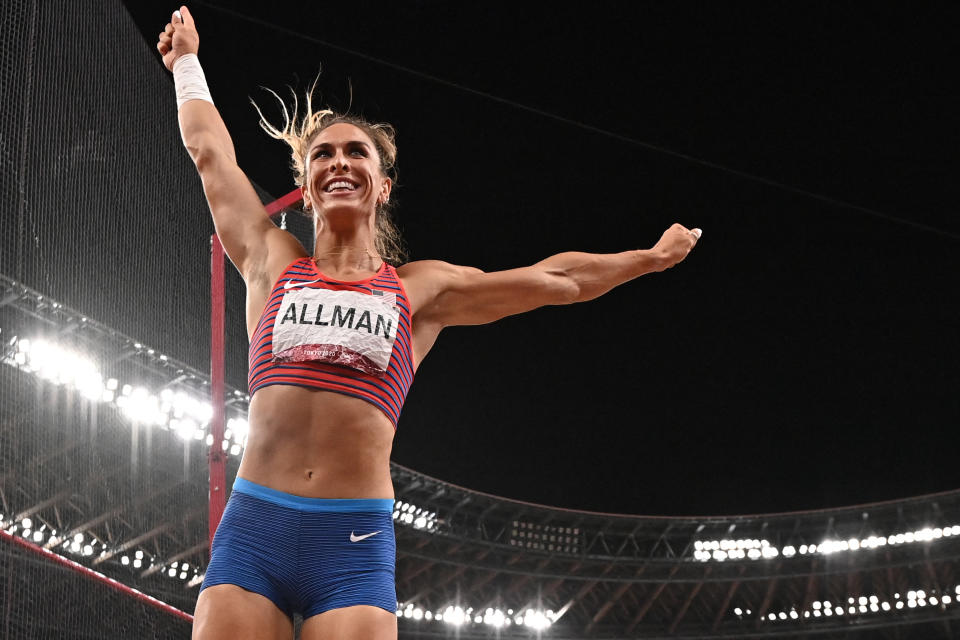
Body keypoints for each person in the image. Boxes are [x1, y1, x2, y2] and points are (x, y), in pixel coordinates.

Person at [157, 6, 700, 640]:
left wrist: (649, 260)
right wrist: (186, 62)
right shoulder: (270, 261)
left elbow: (559, 280)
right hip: (257, 528)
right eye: (322, 154)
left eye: (356, 153)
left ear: (381, 185)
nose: (338, 162)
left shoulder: (419, 290)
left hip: (351, 540)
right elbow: (211, 155)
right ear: (305, 189)